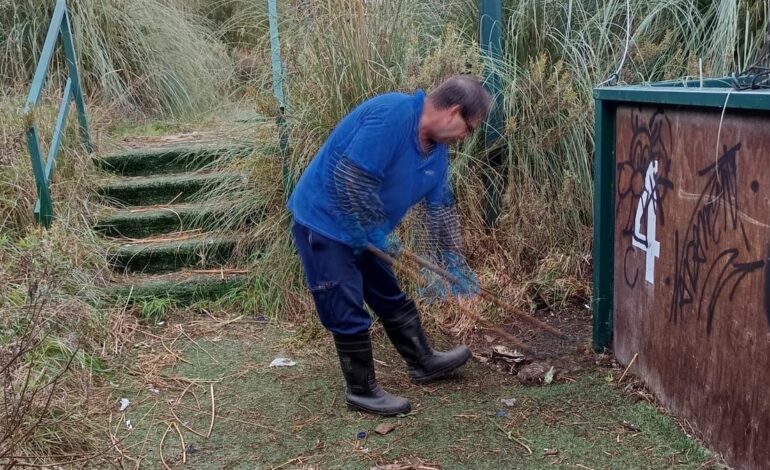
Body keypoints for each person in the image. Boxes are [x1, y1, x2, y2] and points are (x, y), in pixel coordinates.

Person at [287, 75, 492, 416]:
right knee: (345, 302)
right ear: (453, 112)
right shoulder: (394, 113)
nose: (465, 137)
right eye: (468, 128)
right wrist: (376, 230)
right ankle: (361, 391)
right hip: (325, 223)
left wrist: (453, 261)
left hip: (367, 232)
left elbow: (439, 212)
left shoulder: (437, 155)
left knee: (388, 292)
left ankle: (423, 362)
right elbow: (351, 177)